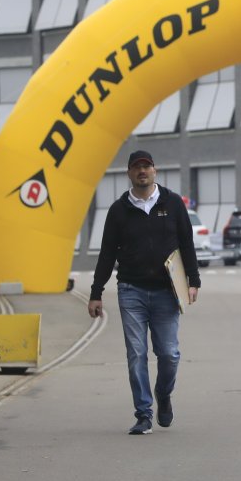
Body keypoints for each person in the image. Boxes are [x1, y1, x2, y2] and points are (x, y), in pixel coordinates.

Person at [88, 149, 200, 435]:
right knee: (136, 354)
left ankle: (163, 394)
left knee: (169, 354)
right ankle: (143, 414)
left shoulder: (172, 203)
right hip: (131, 290)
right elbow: (106, 254)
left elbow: (186, 242)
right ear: (129, 173)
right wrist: (96, 292)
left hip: (167, 291)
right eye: (137, 167)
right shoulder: (118, 210)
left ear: (154, 171)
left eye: (146, 167)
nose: (142, 171)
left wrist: (193, 280)